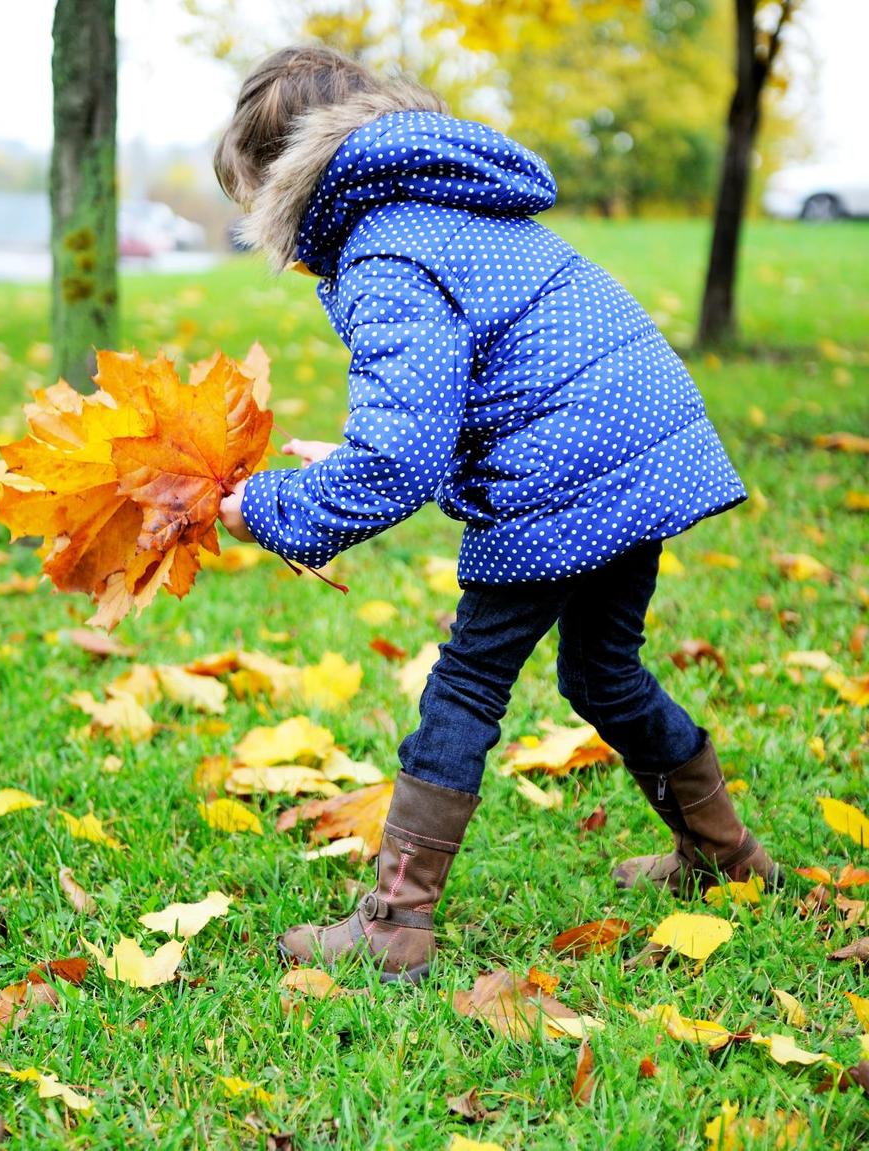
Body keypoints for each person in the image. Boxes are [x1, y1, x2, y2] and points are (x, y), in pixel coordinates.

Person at [214, 44, 781, 984]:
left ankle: (396, 921)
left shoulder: (385, 244)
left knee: (467, 682)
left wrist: (270, 506)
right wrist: (346, 461)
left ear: (283, 180)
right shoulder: (451, 200)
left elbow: (400, 456)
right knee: (602, 672)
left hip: (569, 464)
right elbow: (468, 400)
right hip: (630, 442)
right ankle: (727, 857)